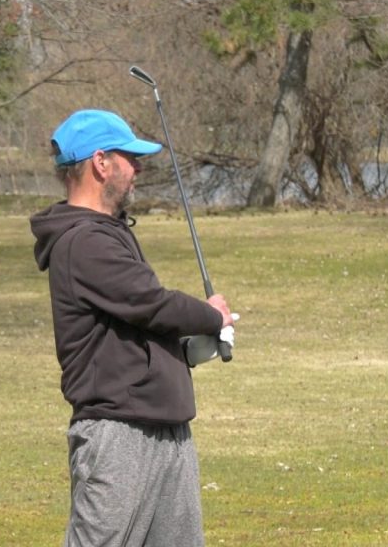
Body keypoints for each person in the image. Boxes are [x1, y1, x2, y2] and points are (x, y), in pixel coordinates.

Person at [30, 109, 236, 547]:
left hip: (166, 427)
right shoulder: (83, 241)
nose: (138, 168)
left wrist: (185, 350)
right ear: (101, 163)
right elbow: (149, 303)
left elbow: (129, 327)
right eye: (131, 158)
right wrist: (211, 316)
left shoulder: (109, 232)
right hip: (118, 437)